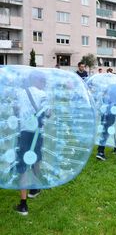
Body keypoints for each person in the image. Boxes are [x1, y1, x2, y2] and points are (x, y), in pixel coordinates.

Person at [15, 71, 49, 215]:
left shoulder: (20, 93)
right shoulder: (43, 95)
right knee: (36, 159)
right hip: (37, 133)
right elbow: (49, 113)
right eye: (43, 81)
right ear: (38, 80)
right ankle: (34, 188)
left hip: (24, 133)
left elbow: (15, 110)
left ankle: (23, 205)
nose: (44, 84)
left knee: (23, 165)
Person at [96, 71, 116, 160]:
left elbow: (103, 97)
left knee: (107, 129)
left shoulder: (111, 86)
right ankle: (101, 152)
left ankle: (114, 148)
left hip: (108, 111)